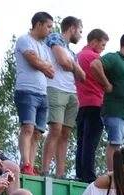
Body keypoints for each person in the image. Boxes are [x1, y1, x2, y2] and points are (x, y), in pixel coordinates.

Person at [91, 32, 124, 184]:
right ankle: (113, 177)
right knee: (115, 143)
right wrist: (106, 83)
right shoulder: (114, 58)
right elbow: (95, 65)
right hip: (116, 111)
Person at [41, 16, 86, 179]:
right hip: (55, 88)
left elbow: (82, 77)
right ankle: (45, 170)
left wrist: (72, 65)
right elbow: (63, 62)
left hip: (71, 92)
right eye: (80, 31)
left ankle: (60, 173)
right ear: (72, 28)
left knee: (65, 133)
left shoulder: (72, 52)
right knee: (55, 129)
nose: (80, 35)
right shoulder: (55, 38)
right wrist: (73, 66)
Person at [14, 12, 56, 176]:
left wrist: (41, 64)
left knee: (37, 132)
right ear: (38, 24)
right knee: (27, 128)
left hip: (42, 93)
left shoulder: (44, 48)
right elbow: (33, 61)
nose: (50, 30)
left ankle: (30, 165)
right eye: (48, 26)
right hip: (26, 90)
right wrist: (41, 64)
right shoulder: (24, 39)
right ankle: (25, 163)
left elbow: (51, 71)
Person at [74, 29, 109, 183]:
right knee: (91, 141)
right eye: (102, 44)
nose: (103, 48)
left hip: (80, 103)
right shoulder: (96, 59)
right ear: (94, 41)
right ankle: (89, 174)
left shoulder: (77, 56)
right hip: (95, 102)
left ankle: (80, 172)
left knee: (82, 140)